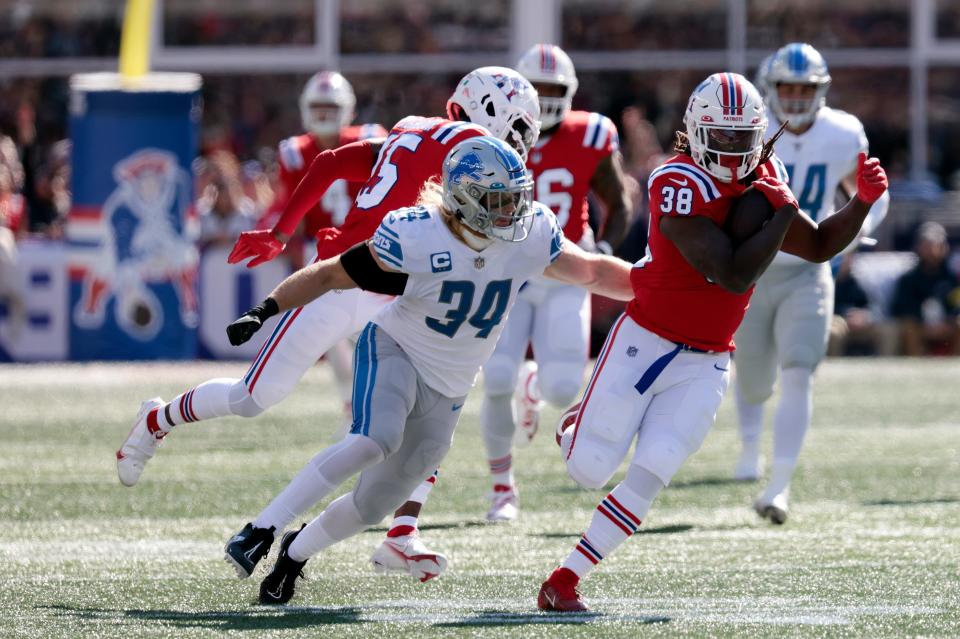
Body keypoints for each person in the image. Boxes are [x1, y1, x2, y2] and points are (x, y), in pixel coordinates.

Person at [115, 66, 541, 577]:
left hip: (385, 286)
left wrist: (280, 231)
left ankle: (402, 533)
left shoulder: (412, 129)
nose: (519, 147)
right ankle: (158, 418)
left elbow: (331, 162)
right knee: (255, 397)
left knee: (425, 408)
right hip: (352, 279)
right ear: (490, 114)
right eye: (517, 130)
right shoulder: (465, 146)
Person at [220, 136, 634, 605]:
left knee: (373, 504)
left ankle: (294, 554)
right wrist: (266, 308)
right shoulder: (417, 233)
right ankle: (261, 527)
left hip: (452, 385)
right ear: (462, 198)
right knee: (374, 440)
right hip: (396, 347)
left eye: (516, 199)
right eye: (498, 200)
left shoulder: (532, 232)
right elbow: (332, 273)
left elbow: (595, 273)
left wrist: (657, 288)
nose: (511, 212)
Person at [538, 71, 888, 612]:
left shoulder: (763, 176)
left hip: (709, 356)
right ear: (697, 132)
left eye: (741, 138)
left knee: (655, 468)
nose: (731, 148)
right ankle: (576, 423)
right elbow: (729, 273)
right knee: (589, 470)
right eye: (721, 137)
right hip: (647, 337)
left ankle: (566, 579)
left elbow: (818, 246)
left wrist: (861, 203)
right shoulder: (674, 180)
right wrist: (780, 213)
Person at [448, 44, 633, 523]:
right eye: (540, 89)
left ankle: (534, 390)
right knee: (495, 379)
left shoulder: (590, 133)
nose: (548, 100)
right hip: (504, 271)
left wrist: (604, 252)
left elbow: (620, 201)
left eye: (556, 91)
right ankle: (502, 488)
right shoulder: (486, 137)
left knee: (563, 386)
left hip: (563, 265)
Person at [732, 43, 890, 524]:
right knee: (755, 381)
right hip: (754, 270)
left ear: (820, 91)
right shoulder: (749, 129)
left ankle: (779, 486)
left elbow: (871, 195)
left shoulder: (843, 133)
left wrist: (854, 234)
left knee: (799, 370)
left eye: (806, 88)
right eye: (789, 87)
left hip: (808, 270)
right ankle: (750, 446)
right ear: (771, 88)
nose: (797, 97)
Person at [257, 72, 386, 413]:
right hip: (324, 253)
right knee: (336, 340)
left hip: (368, 248)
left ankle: (363, 401)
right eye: (318, 106)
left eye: (332, 106)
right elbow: (289, 208)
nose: (325, 114)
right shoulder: (294, 153)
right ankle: (352, 403)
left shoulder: (373, 139)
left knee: (372, 333)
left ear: (348, 109)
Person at [890, 221, 960, 355]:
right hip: (919, 327)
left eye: (936, 245)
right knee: (908, 327)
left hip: (946, 327)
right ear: (918, 247)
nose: (932, 250)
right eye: (927, 245)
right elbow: (900, 308)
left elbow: (957, 305)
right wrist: (922, 322)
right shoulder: (908, 279)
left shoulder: (952, 278)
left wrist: (948, 321)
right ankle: (915, 366)